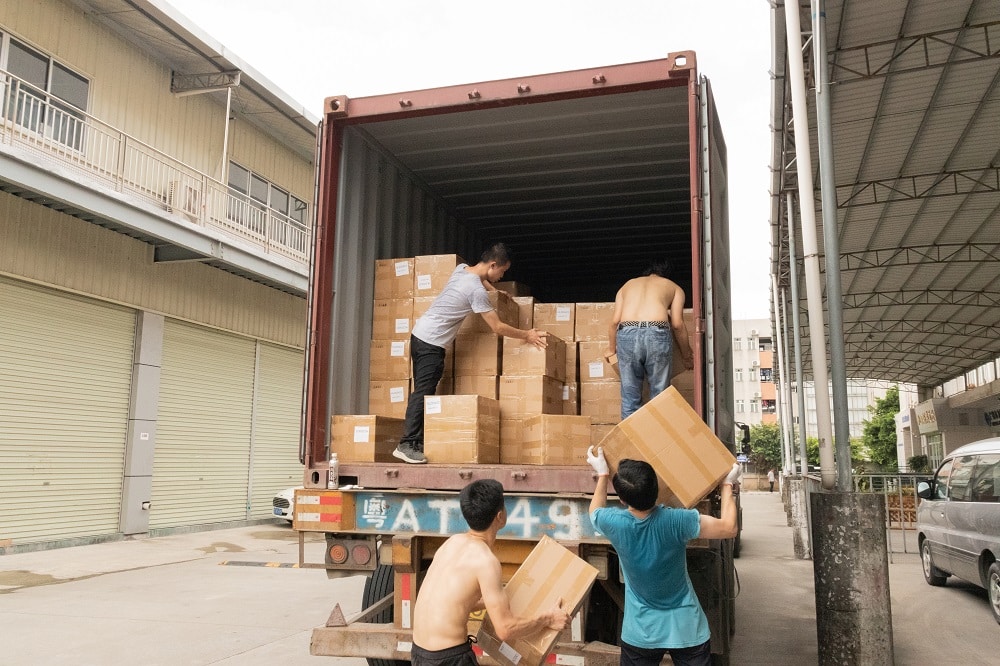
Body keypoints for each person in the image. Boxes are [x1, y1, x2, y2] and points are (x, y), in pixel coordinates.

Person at [585, 447, 740, 666]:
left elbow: (594, 512)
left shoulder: (613, 523)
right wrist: (727, 485)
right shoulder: (677, 521)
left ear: (621, 499)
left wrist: (602, 475)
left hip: (641, 630)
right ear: (657, 490)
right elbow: (729, 527)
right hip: (686, 627)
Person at [395, 243, 548, 464]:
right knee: (423, 393)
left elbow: (482, 278)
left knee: (423, 390)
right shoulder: (475, 291)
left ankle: (415, 441)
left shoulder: (463, 270)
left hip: (420, 335)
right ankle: (407, 443)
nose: (501, 276)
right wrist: (527, 335)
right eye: (502, 271)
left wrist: (495, 291)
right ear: (493, 264)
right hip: (431, 343)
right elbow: (497, 327)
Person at [410, 479, 570, 665]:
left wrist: (493, 601)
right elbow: (505, 630)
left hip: (419, 654)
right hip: (449, 659)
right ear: (500, 516)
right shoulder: (486, 561)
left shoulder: (452, 543)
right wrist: (548, 618)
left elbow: (453, 601)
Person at [605, 260, 694, 420]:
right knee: (659, 396)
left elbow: (614, 322)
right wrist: (687, 356)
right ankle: (657, 442)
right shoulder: (674, 288)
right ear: (667, 276)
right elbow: (677, 325)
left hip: (627, 332)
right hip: (657, 333)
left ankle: (630, 442)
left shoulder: (627, 286)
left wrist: (611, 349)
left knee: (629, 397)